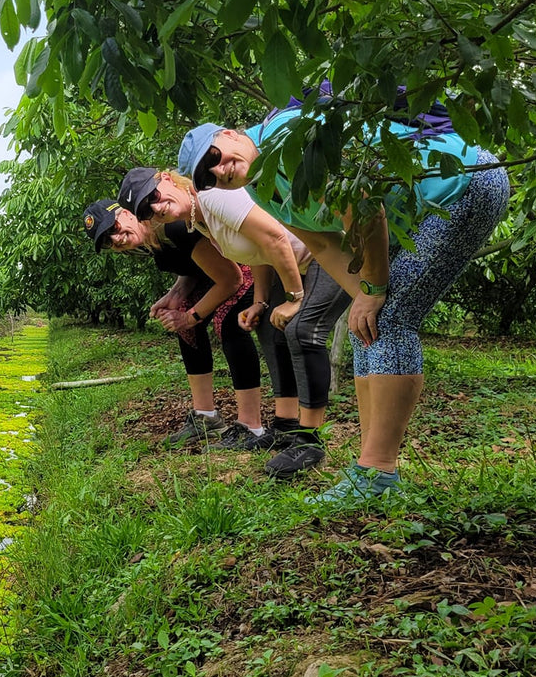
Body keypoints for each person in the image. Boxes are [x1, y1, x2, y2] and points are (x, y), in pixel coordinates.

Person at [179, 93, 510, 502]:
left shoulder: (287, 137)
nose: (218, 171)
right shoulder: (262, 186)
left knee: (389, 322)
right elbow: (321, 244)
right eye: (207, 177)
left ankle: (377, 474)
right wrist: (363, 298)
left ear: (230, 135)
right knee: (367, 327)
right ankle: (369, 468)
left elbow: (365, 207)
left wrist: (372, 292)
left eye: (214, 156)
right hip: (427, 208)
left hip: (466, 181)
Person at [116, 170, 351, 477]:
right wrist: (261, 300)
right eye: (148, 209)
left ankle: (310, 442)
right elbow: (256, 250)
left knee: (302, 331)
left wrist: (295, 296)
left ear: (167, 178)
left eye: (154, 197)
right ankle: (286, 426)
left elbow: (275, 237)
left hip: (324, 249)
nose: (157, 208)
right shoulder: (197, 219)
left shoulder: (213, 197)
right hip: (298, 259)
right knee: (275, 330)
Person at [84, 199, 267, 448]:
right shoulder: (150, 242)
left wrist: (190, 316)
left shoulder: (171, 227)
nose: (116, 240)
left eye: (113, 229)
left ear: (126, 213)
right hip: (220, 274)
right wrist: (175, 296)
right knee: (183, 324)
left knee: (227, 322)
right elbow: (193, 268)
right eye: (107, 241)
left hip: (246, 265)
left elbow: (230, 278)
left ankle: (251, 427)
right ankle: (206, 417)